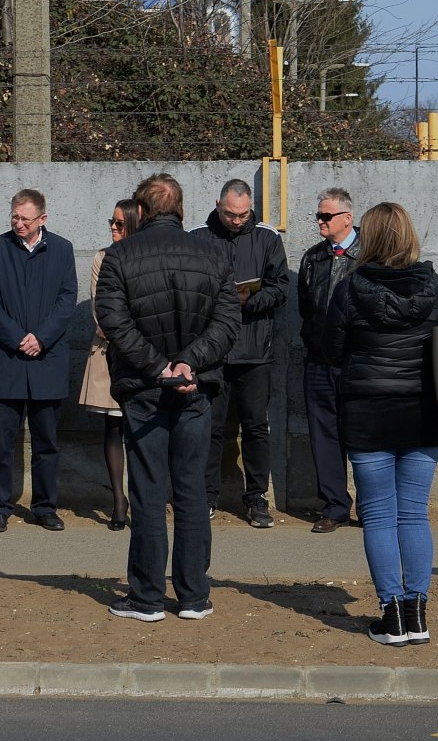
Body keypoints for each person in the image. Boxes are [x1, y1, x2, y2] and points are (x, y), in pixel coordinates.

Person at [93, 173, 242, 621]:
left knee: (149, 493)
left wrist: (162, 368)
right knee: (192, 491)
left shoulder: (119, 256)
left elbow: (114, 323)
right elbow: (228, 322)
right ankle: (194, 595)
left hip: (145, 389)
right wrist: (188, 365)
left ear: (140, 211)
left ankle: (147, 596)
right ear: (180, 209)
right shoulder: (213, 254)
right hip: (192, 388)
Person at [320, 201, 438, 646]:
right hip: (423, 411)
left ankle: (392, 616)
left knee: (378, 515)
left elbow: (332, 351)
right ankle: (418, 615)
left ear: (372, 238)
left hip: (367, 412)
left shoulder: (349, 287)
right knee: (414, 513)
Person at [192, 178, 290, 528]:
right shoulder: (198, 237)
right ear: (218, 206)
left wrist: (249, 301)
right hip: (213, 352)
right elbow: (187, 289)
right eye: (231, 214)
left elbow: (280, 288)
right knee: (210, 427)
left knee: (255, 427)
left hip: (254, 350)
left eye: (243, 214)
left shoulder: (266, 237)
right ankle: (205, 496)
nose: (237, 220)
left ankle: (257, 498)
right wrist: (216, 303)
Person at [0, 189, 77, 533]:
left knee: (47, 441)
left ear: (43, 219)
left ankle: (45, 506)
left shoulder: (62, 250)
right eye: (15, 217)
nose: (19, 224)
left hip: (47, 360)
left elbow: (67, 300)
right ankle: (0, 506)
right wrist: (19, 337)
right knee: (2, 440)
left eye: (26, 218)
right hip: (6, 359)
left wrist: (42, 337)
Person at [298, 187, 359, 532]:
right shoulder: (313, 258)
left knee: (363, 433)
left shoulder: (368, 255)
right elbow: (306, 307)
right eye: (318, 215)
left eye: (326, 216)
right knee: (324, 434)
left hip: (357, 362)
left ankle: (371, 506)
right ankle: (335, 506)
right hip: (320, 360)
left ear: (347, 218)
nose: (320, 221)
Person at [78, 199, 141, 530]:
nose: (113, 229)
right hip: (110, 355)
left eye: (120, 224)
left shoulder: (148, 257)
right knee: (114, 427)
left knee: (144, 430)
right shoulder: (102, 258)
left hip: (145, 359)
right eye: (111, 222)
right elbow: (101, 316)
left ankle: (144, 497)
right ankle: (119, 500)